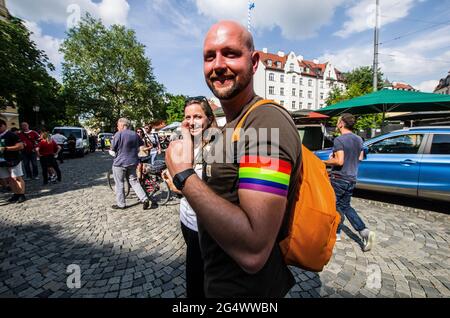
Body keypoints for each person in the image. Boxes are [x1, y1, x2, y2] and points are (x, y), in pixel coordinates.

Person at [165, 21, 302, 297]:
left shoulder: (266, 124)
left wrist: (183, 175)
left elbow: (253, 250)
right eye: (209, 56)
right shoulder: (231, 128)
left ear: (253, 63)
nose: (217, 64)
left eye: (230, 53)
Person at [164, 97, 218, 298]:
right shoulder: (188, 142)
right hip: (186, 219)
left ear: (209, 118)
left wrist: (176, 185)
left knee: (198, 282)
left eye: (198, 116)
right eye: (187, 117)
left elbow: (191, 185)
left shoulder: (217, 145)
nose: (192, 121)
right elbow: (183, 173)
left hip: (204, 225)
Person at [323, 113, 376, 252]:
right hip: (352, 178)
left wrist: (324, 161)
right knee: (344, 206)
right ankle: (363, 231)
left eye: (338, 121)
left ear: (342, 123)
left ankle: (335, 233)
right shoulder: (359, 139)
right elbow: (360, 157)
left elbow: (339, 161)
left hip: (339, 178)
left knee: (333, 206)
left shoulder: (339, 140)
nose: (336, 123)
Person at [111, 118, 154, 210]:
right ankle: (144, 198)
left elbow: (112, 150)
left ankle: (121, 204)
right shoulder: (135, 134)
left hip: (120, 163)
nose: (117, 127)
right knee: (134, 181)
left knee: (119, 183)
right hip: (133, 162)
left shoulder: (118, 134)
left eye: (118, 126)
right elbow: (140, 146)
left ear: (122, 125)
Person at [0, 119, 26, 203]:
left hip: (13, 159)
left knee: (17, 177)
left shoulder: (11, 134)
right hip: (2, 161)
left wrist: (6, 148)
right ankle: (16, 194)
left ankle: (22, 195)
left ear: (4, 125)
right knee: (9, 179)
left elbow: (20, 146)